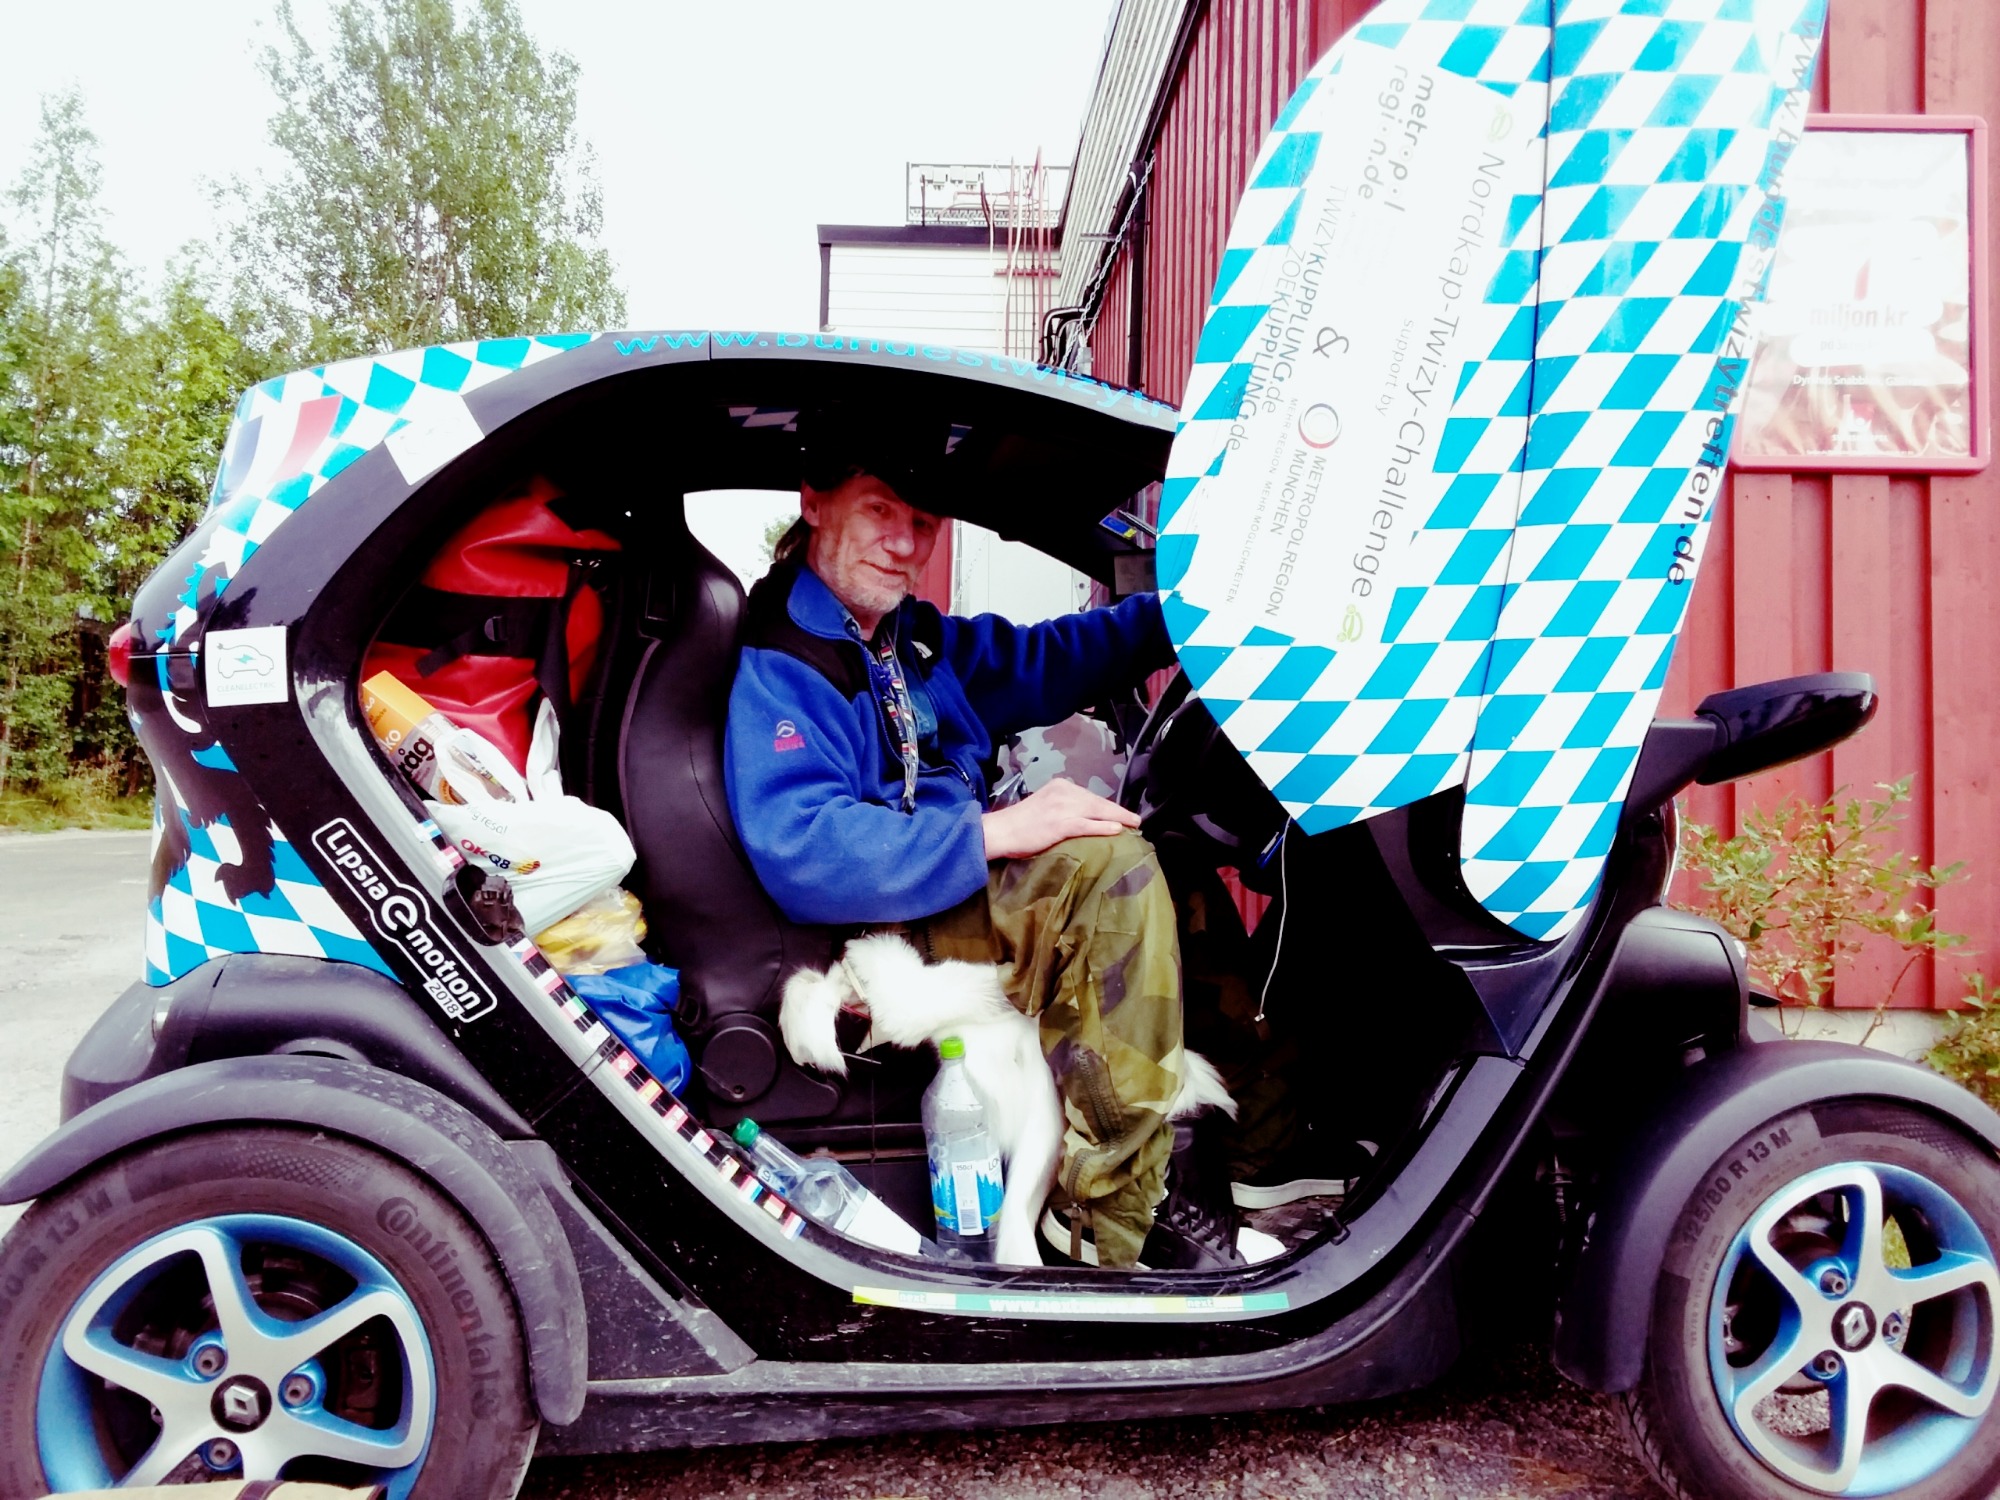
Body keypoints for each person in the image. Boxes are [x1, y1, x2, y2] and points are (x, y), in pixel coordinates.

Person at [722, 421, 1246, 1270]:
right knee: (1108, 871)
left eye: (922, 523)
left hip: (945, 888)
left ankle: (1256, 1162)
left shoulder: (905, 639)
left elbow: (1046, 659)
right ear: (814, 504)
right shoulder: (789, 661)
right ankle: (1103, 1223)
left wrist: (1188, 614)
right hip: (880, 924)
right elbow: (805, 845)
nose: (904, 544)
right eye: (879, 510)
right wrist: (997, 830)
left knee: (1177, 868)